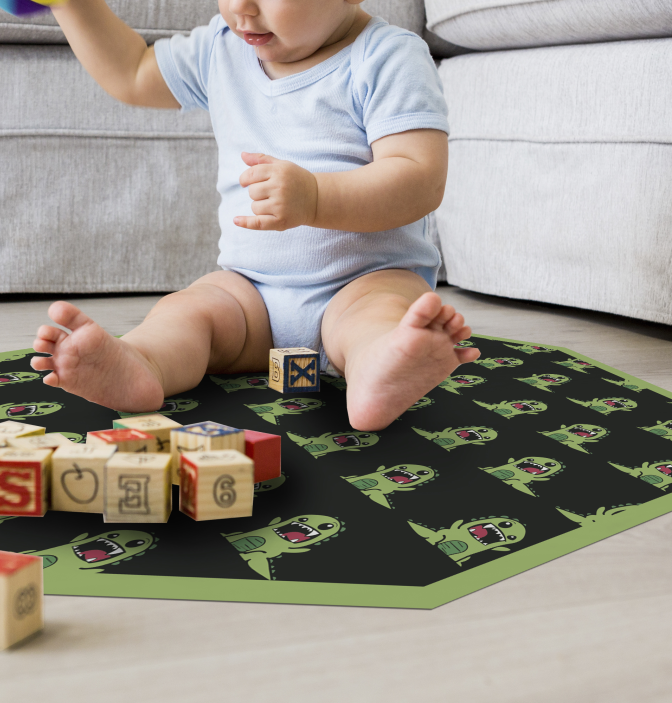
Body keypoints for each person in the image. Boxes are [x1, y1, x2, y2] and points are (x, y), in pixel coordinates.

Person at [31, 0, 480, 432]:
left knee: (379, 318)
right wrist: (70, 5)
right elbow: (132, 71)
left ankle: (376, 369)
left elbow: (420, 181)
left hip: (366, 282)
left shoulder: (387, 56)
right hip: (251, 295)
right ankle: (143, 361)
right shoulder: (222, 48)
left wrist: (315, 198)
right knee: (189, 309)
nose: (241, 8)